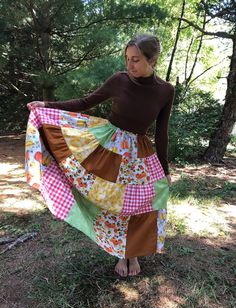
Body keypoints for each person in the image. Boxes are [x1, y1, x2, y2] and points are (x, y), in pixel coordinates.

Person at [26, 34, 175, 277]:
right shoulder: (120, 80)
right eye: (127, 58)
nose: (129, 65)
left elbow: (162, 133)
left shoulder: (166, 91)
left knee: (144, 203)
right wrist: (47, 106)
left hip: (139, 152)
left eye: (136, 60)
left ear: (154, 60)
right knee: (112, 201)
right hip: (109, 146)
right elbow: (86, 102)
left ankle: (132, 253)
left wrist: (165, 169)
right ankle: (120, 252)